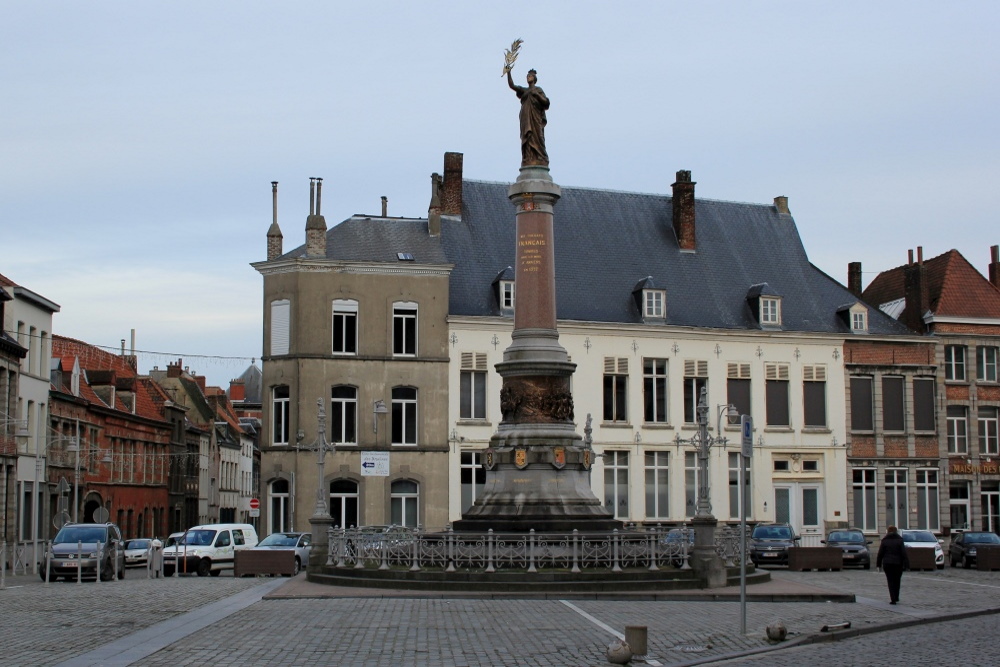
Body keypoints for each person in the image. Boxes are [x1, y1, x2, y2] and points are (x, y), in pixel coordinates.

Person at [507, 68, 550, 167]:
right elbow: (512, 85)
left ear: (534, 78)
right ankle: (527, 158)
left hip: (535, 117)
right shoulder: (524, 90)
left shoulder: (538, 90)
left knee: (538, 137)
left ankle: (541, 158)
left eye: (530, 76)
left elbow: (546, 103)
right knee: (527, 138)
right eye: (527, 76)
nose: (528, 77)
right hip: (525, 117)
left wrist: (537, 95)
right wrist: (508, 72)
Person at [876, 525, 909, 604]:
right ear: (896, 531)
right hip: (898, 563)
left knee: (890, 581)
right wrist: (907, 564)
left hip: (887, 563)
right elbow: (904, 553)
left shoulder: (884, 541)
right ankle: (896, 596)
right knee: (897, 580)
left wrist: (878, 564)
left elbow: (880, 554)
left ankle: (893, 598)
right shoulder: (900, 540)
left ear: (888, 531)